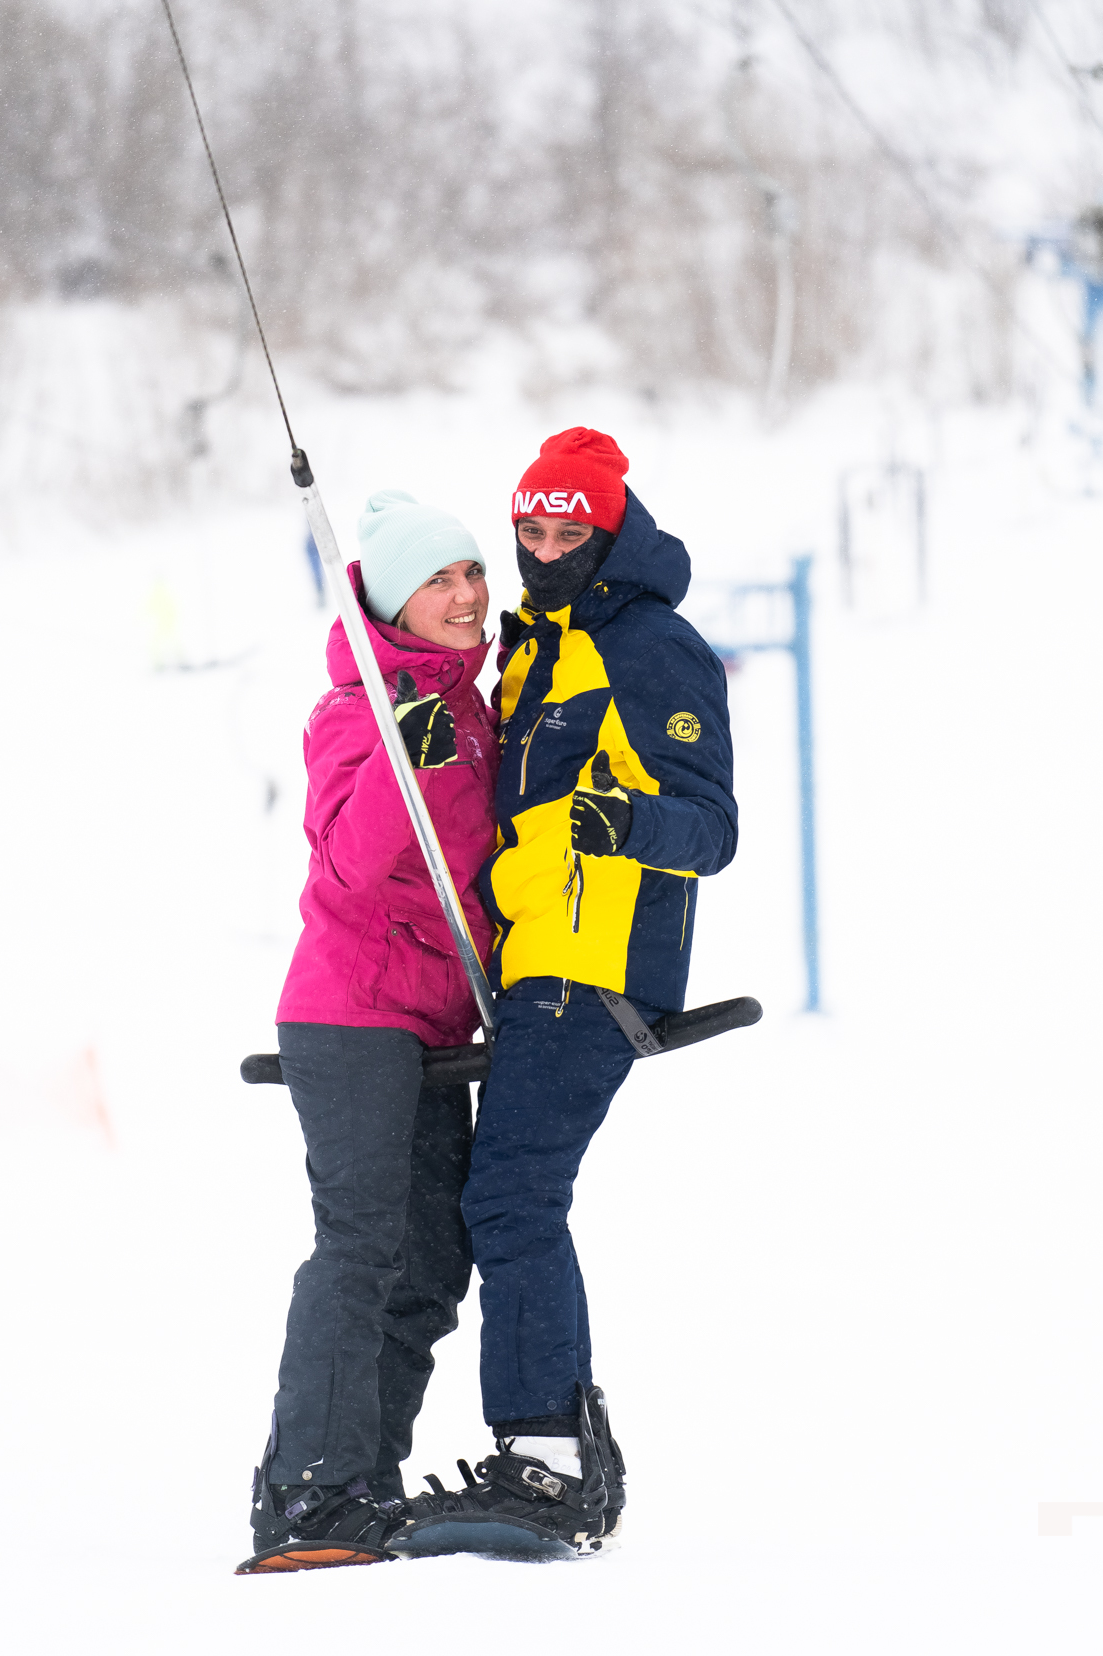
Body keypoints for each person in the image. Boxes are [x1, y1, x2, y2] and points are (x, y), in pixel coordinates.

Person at [396, 427, 737, 1557]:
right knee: (502, 1197)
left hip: (600, 963)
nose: (544, 552)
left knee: (512, 1197)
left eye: (566, 534)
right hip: (531, 962)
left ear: (609, 534)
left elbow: (712, 828)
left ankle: (547, 1457)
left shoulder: (649, 646)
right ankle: (563, 1445)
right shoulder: (534, 650)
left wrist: (627, 822)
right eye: (529, 533)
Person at [238, 489, 499, 1574]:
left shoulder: (471, 710)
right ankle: (310, 1487)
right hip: (351, 1012)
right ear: (391, 602)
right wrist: (406, 755)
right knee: (359, 1247)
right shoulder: (358, 714)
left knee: (431, 1264)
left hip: (435, 1016)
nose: (466, 594)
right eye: (437, 579)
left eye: (471, 571)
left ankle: (367, 1476)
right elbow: (348, 869)